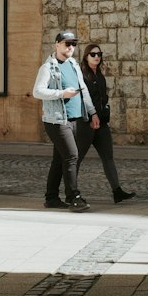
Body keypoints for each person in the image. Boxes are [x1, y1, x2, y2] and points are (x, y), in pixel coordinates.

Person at [32, 30, 98, 211]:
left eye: (73, 44)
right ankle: (74, 197)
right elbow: (37, 91)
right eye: (67, 43)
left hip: (77, 119)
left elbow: (83, 89)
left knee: (59, 159)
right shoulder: (48, 67)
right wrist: (62, 94)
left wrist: (92, 113)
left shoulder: (73, 65)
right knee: (71, 156)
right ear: (57, 45)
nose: (70, 47)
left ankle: (51, 198)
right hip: (57, 121)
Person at [78, 44, 136, 204]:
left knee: (108, 156)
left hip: (101, 122)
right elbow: (82, 99)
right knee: (77, 158)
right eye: (93, 54)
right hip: (86, 123)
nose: (97, 57)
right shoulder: (82, 76)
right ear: (86, 56)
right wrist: (91, 116)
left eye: (99, 54)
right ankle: (72, 193)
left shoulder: (99, 75)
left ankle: (117, 191)